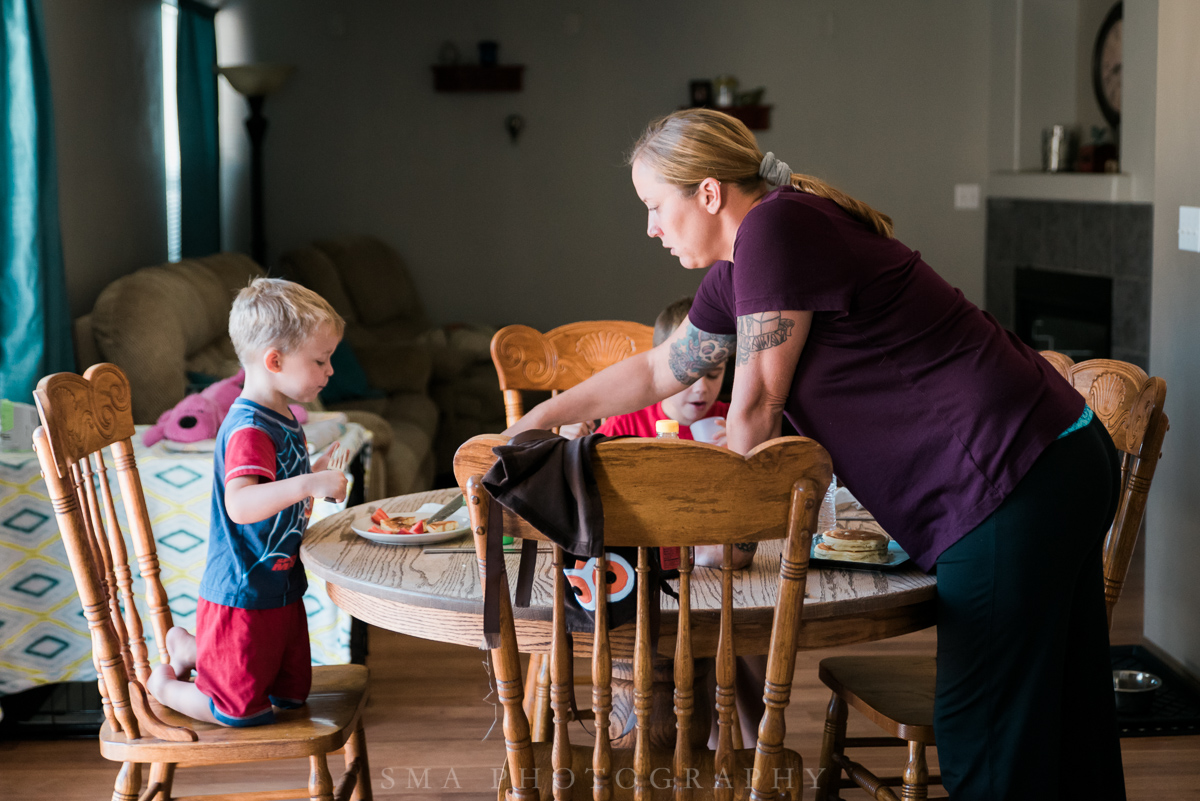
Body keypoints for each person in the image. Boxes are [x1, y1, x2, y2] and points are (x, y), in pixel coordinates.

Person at [504, 108, 1124, 800]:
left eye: (655, 206)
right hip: (1054, 458)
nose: (649, 227)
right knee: (1069, 729)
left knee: (983, 732)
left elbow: (757, 404)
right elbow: (658, 371)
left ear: (707, 193)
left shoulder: (777, 228)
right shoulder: (745, 265)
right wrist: (536, 417)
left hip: (1012, 479)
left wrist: (720, 534)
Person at [148, 278, 349, 727]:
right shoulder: (249, 427)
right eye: (320, 360)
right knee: (239, 713)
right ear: (274, 360)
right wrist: (308, 485)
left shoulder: (282, 415)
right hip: (241, 591)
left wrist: (311, 469)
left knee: (292, 697)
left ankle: (196, 648)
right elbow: (241, 504)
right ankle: (165, 683)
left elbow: (277, 478)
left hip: (279, 583)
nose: (330, 371)